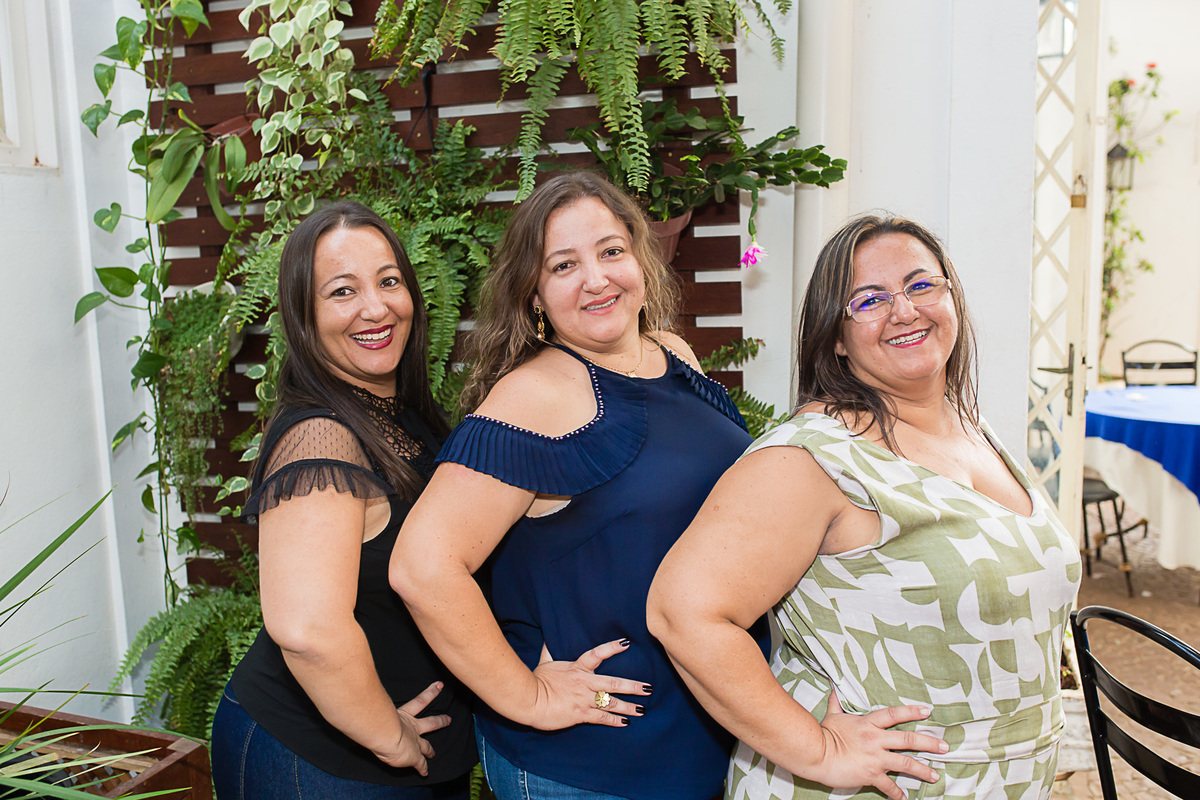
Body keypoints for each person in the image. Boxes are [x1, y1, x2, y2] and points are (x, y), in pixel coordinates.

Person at [648, 214, 1082, 800]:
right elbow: (682, 612)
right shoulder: (812, 456)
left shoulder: (975, 430)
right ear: (835, 337)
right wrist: (820, 751)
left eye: (921, 285)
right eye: (870, 300)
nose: (905, 310)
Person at [389, 171, 768, 800]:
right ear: (535, 295)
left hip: (705, 733)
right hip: (594, 762)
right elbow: (422, 569)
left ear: (640, 260)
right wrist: (529, 696)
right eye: (563, 265)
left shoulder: (673, 354)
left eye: (611, 251)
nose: (596, 278)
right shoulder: (534, 395)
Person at [209, 202, 476, 799]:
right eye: (342, 291)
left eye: (389, 281)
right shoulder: (321, 437)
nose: (375, 308)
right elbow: (307, 629)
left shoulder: (399, 414)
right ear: (304, 317)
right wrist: (389, 735)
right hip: (320, 759)